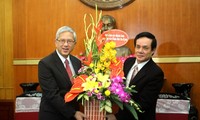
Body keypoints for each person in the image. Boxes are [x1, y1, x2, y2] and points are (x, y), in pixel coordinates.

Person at [107, 32, 164, 120]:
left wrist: (117, 117)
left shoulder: (156, 73)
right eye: (138, 47)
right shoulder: (128, 62)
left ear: (153, 50)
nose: (140, 51)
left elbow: (142, 105)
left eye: (145, 48)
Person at [38, 26, 86, 120]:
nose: (66, 44)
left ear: (74, 44)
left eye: (69, 41)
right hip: (53, 115)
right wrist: (73, 113)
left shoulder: (77, 62)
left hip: (74, 114)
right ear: (56, 42)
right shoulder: (45, 64)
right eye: (62, 41)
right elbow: (52, 95)